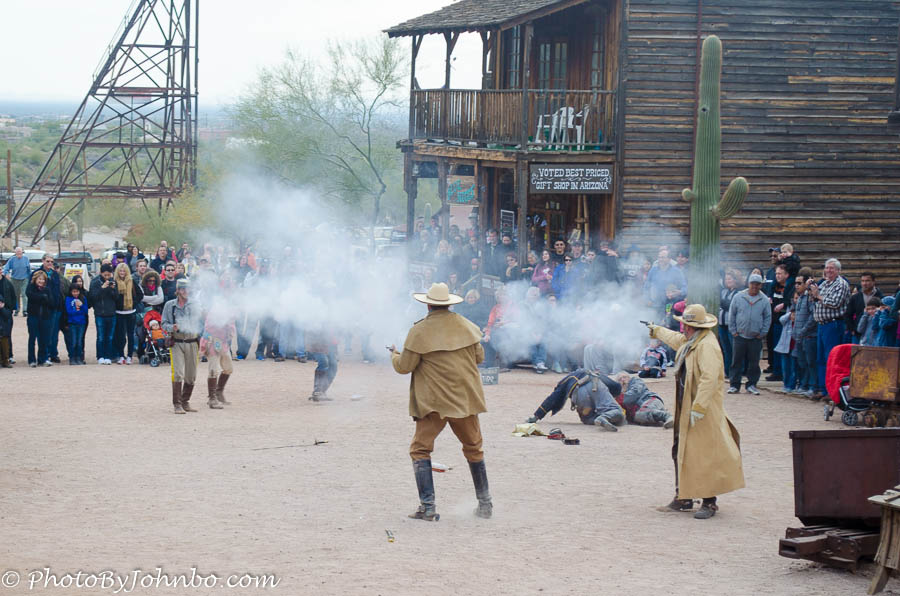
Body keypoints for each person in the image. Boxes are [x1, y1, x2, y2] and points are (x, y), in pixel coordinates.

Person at [390, 282, 492, 521]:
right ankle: (485, 505)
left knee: (420, 449)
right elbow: (479, 357)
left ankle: (428, 508)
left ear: (428, 305)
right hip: (464, 399)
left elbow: (404, 366)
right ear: (448, 304)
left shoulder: (419, 331)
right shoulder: (467, 326)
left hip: (433, 402)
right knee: (474, 449)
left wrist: (394, 354)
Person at [648, 304, 744, 520]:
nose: (684, 329)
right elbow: (677, 340)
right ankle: (684, 496)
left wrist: (699, 407)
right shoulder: (694, 340)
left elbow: (709, 379)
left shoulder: (707, 346)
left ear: (695, 327)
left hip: (702, 410)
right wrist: (657, 330)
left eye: (687, 325)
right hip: (687, 405)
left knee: (705, 455)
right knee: (680, 451)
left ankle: (709, 502)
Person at [524, 362, 625, 431]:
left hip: (579, 396)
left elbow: (552, 399)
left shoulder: (566, 380)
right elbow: (615, 387)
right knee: (617, 413)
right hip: (596, 385)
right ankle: (605, 416)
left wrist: (536, 416)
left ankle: (599, 418)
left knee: (587, 419)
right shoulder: (593, 373)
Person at [809, 258, 851, 399]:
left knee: (831, 358)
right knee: (820, 359)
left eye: (831, 268)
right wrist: (812, 291)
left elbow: (835, 303)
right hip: (821, 325)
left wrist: (818, 295)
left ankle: (833, 391)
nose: (828, 271)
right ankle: (823, 389)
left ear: (838, 270)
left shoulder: (841, 284)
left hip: (833, 325)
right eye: (827, 268)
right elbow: (815, 300)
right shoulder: (824, 283)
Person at [162, 279, 203, 414]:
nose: (186, 291)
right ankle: (177, 404)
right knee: (178, 373)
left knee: (191, 375)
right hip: (177, 342)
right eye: (183, 289)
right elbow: (164, 324)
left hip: (192, 341)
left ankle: (185, 401)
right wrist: (172, 327)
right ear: (178, 290)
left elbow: (200, 322)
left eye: (188, 288)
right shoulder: (169, 305)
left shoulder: (196, 304)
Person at [727, 273, 771, 395]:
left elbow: (767, 317)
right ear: (748, 284)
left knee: (754, 363)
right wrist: (733, 331)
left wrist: (763, 332)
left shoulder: (764, 300)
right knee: (736, 361)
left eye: (757, 284)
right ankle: (734, 385)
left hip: (755, 337)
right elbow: (732, 314)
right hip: (739, 335)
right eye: (752, 284)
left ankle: (752, 384)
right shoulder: (738, 297)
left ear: (761, 285)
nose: (755, 286)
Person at [201, 278, 236, 409]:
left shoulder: (230, 305)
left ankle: (219, 392)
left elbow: (231, 323)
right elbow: (210, 324)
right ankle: (212, 398)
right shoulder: (216, 304)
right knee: (213, 369)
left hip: (223, 341)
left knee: (228, 368)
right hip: (212, 340)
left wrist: (230, 331)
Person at [791, 270, 818, 398]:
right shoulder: (800, 298)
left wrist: (804, 330)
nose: (796, 285)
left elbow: (813, 316)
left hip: (809, 335)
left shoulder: (809, 298)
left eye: (799, 283)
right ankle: (804, 385)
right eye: (795, 283)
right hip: (800, 336)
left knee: (810, 363)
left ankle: (812, 387)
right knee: (802, 362)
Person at [113, 262, 143, 364]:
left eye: (124, 271)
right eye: (120, 271)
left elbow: (140, 294)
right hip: (119, 312)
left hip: (131, 312)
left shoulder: (132, 281)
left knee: (130, 335)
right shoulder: (115, 282)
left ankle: (129, 356)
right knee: (120, 336)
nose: (122, 273)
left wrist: (133, 303)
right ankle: (121, 355)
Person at [90, 264, 119, 365]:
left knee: (110, 337)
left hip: (111, 313)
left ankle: (108, 356)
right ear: (101, 273)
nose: (107, 277)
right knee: (101, 337)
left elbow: (116, 298)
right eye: (105, 275)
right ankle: (100, 356)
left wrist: (113, 289)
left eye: (109, 275)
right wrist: (102, 288)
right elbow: (93, 297)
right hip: (100, 313)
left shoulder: (113, 282)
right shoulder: (95, 282)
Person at [25, 270, 54, 367]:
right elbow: (31, 296)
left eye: (43, 279)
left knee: (44, 339)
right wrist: (42, 297)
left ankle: (43, 359)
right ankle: (31, 360)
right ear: (35, 279)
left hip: (45, 317)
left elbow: (51, 302)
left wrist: (44, 298)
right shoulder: (30, 287)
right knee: (32, 338)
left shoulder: (47, 289)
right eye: (39, 279)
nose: (41, 281)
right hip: (33, 316)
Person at [845, 272, 882, 343]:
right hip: (858, 333)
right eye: (862, 281)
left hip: (874, 334)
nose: (864, 283)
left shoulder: (880, 296)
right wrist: (852, 329)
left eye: (867, 281)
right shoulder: (855, 297)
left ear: (873, 282)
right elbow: (847, 314)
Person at [307, 327, 339, 402]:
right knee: (323, 363)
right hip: (317, 344)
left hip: (329, 344)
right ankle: (317, 391)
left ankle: (322, 391)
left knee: (333, 366)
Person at [2, 246, 31, 315]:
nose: (19, 254)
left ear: (22, 252)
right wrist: (7, 274)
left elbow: (29, 269)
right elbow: (6, 268)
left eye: (20, 252)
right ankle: (17, 309)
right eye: (17, 252)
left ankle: (25, 310)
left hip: (24, 278)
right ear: (15, 253)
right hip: (15, 279)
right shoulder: (12, 259)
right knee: (16, 295)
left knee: (24, 294)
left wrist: (30, 278)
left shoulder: (26, 259)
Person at [65, 285, 88, 365]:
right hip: (72, 322)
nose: (75, 293)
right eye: (74, 292)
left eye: (77, 291)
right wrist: (78, 312)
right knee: (73, 341)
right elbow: (69, 311)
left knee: (79, 341)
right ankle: (72, 358)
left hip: (81, 322)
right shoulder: (68, 299)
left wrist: (81, 305)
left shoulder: (83, 298)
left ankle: (79, 358)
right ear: (71, 292)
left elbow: (86, 310)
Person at [0, 297, 12, 367]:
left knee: (5, 349)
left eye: (1, 302)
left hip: (4, 332)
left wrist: (2, 308)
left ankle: (5, 362)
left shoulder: (6, 310)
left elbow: (7, 316)